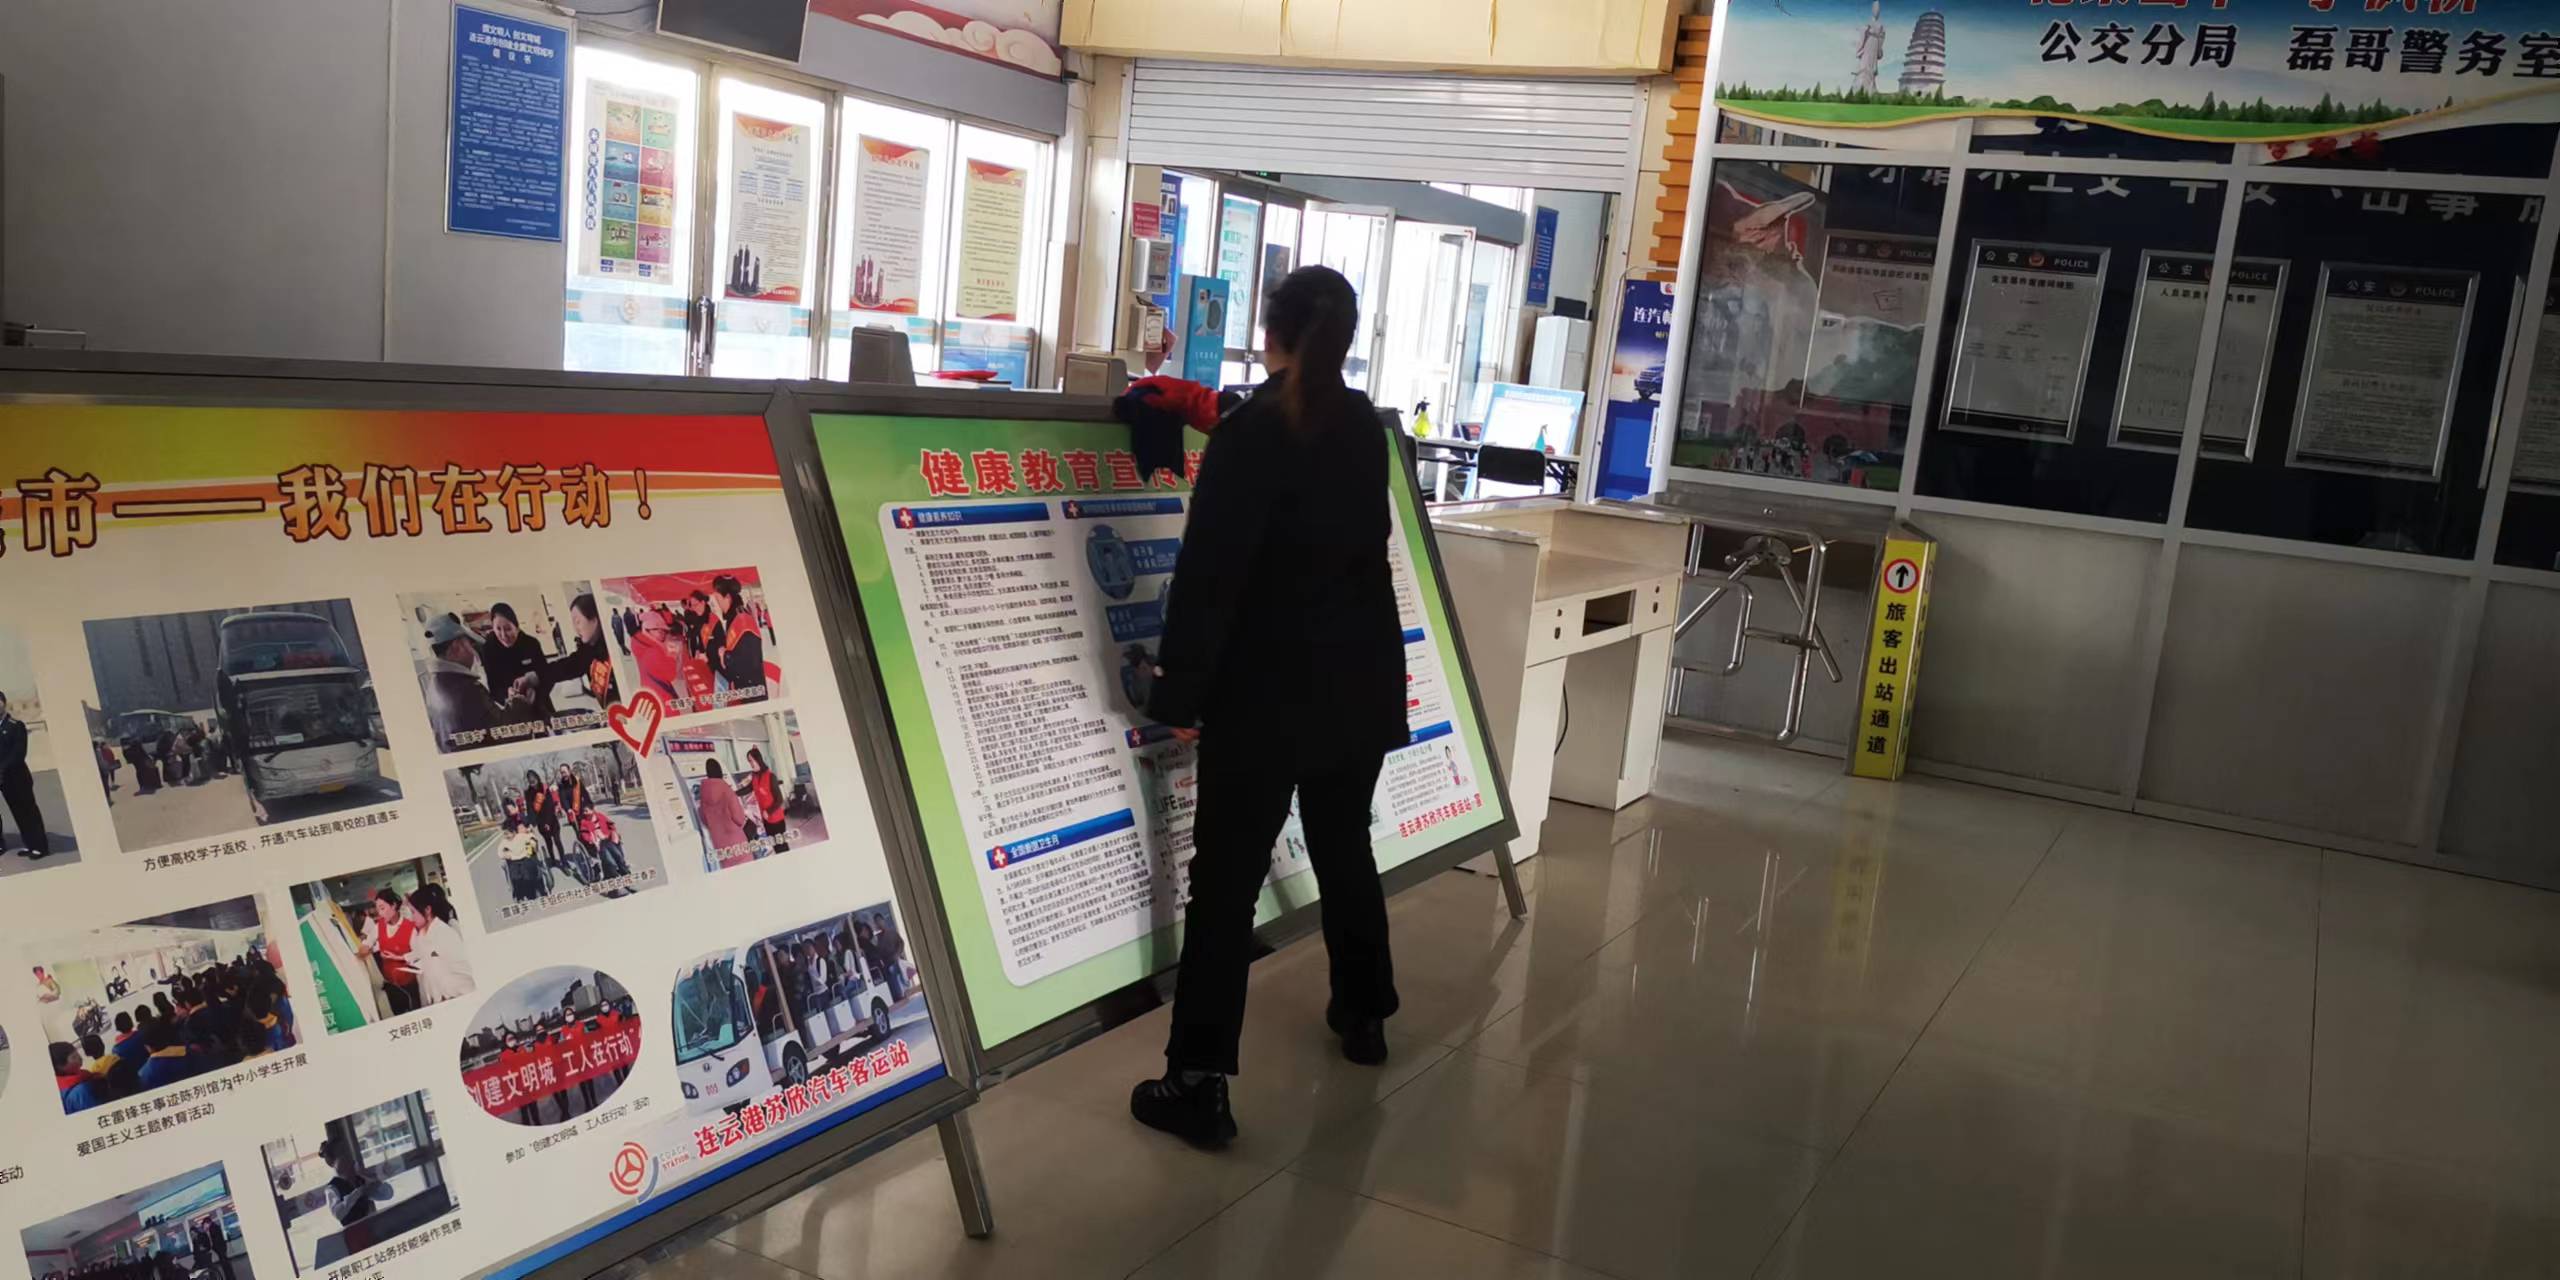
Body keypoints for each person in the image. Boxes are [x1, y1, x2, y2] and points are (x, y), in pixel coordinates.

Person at [1120, 266, 1409, 1148]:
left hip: (1268, 695)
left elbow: (1210, 577)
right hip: (1357, 684)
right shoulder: (1361, 425)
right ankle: (1364, 1014)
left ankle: (1197, 1080)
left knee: (1226, 884)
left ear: (1268, 331)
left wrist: (1178, 691)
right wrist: (1217, 409)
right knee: (1344, 845)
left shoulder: (1252, 435)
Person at [420, 614, 536, 749]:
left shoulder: (432, 687)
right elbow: (506, 735)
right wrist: (520, 703)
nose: (473, 652)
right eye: (470, 644)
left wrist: (511, 702)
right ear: (457, 647)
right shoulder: (466, 690)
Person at [536, 593, 621, 716]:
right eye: (574, 623)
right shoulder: (589, 650)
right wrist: (536, 676)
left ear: (594, 620)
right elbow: (568, 666)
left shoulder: (613, 650)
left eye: (578, 622)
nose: (576, 628)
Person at [0, 691, 53, 860]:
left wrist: (1, 768)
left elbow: (18, 754)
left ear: (4, 703)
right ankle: (30, 844)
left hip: (17, 778)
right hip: (4, 780)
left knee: (29, 812)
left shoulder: (16, 726)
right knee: (18, 813)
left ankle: (41, 847)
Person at [358, 889, 421, 1016]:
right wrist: (364, 950)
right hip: (390, 984)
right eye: (378, 909)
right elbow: (367, 944)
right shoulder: (379, 926)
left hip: (409, 985)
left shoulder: (410, 928)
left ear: (393, 905)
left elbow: (418, 954)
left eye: (382, 908)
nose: (380, 913)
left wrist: (399, 957)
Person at [409, 883, 475, 1004]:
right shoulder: (423, 934)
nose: (412, 918)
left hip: (454, 998)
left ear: (427, 910)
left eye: (413, 912)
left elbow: (464, 972)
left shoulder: (445, 933)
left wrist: (450, 994)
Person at [477, 602, 548, 711]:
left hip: (538, 701)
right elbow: (494, 687)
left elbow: (546, 675)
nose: (503, 635)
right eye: (498, 629)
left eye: (508, 629)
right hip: (512, 707)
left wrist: (535, 693)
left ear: (516, 626)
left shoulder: (531, 644)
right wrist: (507, 694)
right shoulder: (488, 649)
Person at [709, 574, 766, 702]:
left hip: (753, 691)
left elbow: (750, 661)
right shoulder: (734, 616)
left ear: (728, 597)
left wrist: (725, 655)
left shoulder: (741, 619)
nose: (717, 603)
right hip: (744, 686)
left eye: (717, 598)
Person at [694, 758, 753, 868]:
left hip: (720, 845)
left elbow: (704, 819)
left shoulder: (703, 795)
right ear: (720, 771)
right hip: (737, 843)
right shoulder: (727, 790)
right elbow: (739, 819)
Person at [743, 746, 789, 855]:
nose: (750, 764)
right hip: (766, 820)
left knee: (782, 846)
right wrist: (732, 792)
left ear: (758, 759)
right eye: (749, 761)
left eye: (751, 760)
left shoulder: (770, 776)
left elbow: (779, 799)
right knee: (775, 847)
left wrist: (768, 811)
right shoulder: (754, 777)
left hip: (777, 820)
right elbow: (748, 789)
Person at [524, 770, 566, 870]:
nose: (532, 783)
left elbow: (550, 805)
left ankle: (564, 861)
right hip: (541, 821)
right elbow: (530, 809)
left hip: (551, 819)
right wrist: (531, 823)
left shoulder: (544, 788)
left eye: (534, 780)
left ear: (537, 778)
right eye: (530, 781)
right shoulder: (528, 793)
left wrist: (548, 822)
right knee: (548, 842)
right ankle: (553, 860)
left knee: (557, 841)